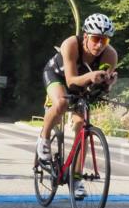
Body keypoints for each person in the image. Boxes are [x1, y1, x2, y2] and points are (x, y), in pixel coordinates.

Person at [36, 14, 119, 195]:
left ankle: (76, 178)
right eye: (96, 39)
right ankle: (43, 138)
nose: (99, 45)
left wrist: (108, 83)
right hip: (58, 76)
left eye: (104, 40)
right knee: (61, 103)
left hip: (82, 85)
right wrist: (91, 76)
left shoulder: (110, 55)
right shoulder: (71, 44)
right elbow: (72, 81)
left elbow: (103, 87)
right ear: (86, 36)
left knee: (82, 125)